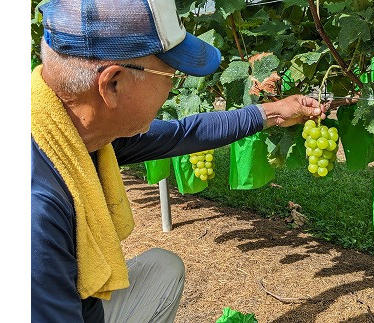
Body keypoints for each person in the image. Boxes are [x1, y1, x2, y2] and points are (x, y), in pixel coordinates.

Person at [31, 0, 326, 322]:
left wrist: (271, 111)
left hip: (77, 301)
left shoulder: (68, 133)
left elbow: (181, 133)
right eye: (171, 74)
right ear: (113, 85)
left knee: (163, 266)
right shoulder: (35, 212)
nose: (174, 86)